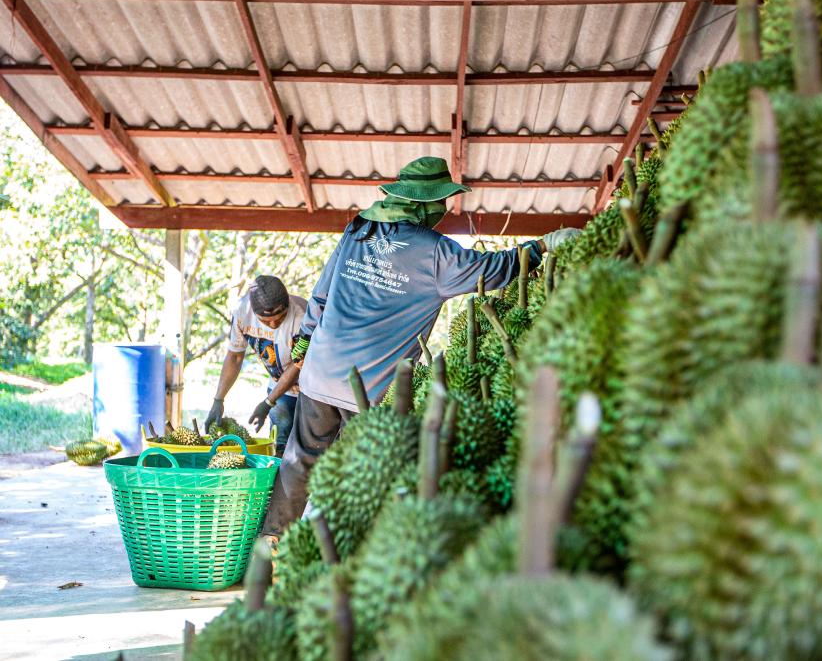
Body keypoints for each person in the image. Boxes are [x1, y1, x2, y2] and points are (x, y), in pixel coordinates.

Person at [260, 156, 580, 537]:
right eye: (440, 201)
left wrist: (304, 346)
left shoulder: (358, 230)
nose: (443, 210)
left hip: (320, 373)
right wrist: (543, 246)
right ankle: (343, 555)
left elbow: (320, 296)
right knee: (364, 477)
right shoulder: (435, 251)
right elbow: (492, 269)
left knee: (299, 462)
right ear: (426, 204)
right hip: (372, 389)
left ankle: (273, 543)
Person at [205, 275, 307, 456]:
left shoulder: (302, 316)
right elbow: (235, 357)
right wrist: (218, 400)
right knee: (280, 447)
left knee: (308, 448)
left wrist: (268, 402)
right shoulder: (242, 311)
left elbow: (298, 366)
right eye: (266, 321)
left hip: (311, 389)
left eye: (280, 317)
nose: (274, 324)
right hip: (280, 387)